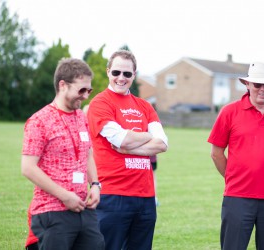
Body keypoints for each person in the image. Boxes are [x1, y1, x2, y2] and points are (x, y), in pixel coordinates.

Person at [207, 62, 264, 250]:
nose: (263, 89)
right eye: (257, 84)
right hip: (237, 197)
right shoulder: (229, 112)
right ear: (247, 84)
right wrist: (234, 177)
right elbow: (216, 153)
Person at [87, 49, 168, 250]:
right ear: (108, 72)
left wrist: (129, 148)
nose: (121, 78)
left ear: (134, 75)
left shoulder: (145, 106)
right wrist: (147, 136)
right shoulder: (100, 103)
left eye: (127, 74)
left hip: (145, 197)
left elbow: (162, 144)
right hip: (113, 196)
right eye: (116, 72)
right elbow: (121, 139)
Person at [21, 58, 105, 250]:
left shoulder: (82, 118)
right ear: (62, 85)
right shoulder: (39, 121)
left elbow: (88, 154)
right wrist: (64, 195)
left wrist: (95, 185)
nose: (85, 96)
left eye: (89, 90)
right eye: (81, 90)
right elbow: (27, 168)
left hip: (84, 209)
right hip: (52, 211)